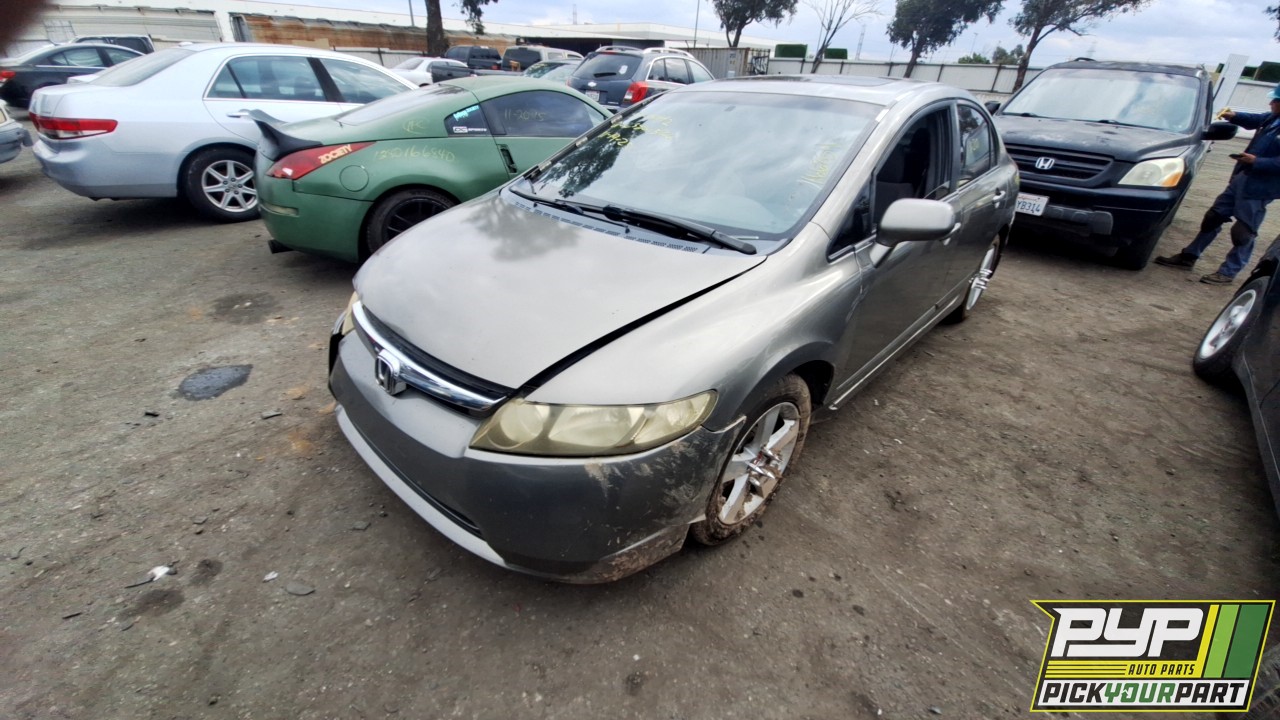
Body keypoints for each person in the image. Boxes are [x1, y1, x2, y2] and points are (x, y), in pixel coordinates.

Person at [1154, 84, 1280, 284]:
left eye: (1276, 100)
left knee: (1244, 231)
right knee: (1214, 217)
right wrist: (1233, 116)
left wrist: (1257, 161)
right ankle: (1189, 256)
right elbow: (1255, 119)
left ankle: (1229, 272)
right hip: (1243, 177)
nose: (1271, 103)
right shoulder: (1273, 118)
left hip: (1259, 188)